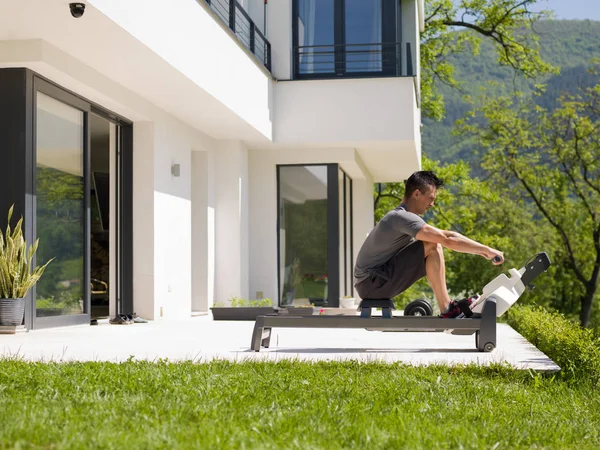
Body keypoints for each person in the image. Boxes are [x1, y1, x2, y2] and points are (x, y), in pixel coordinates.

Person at [354, 171, 504, 318]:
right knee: (433, 244)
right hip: (371, 284)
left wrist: (483, 250)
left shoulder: (402, 217)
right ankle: (448, 308)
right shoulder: (402, 217)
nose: (432, 204)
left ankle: (448, 307)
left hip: (373, 282)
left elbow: (445, 236)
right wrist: (486, 250)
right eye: (430, 198)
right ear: (417, 194)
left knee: (431, 243)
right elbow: (447, 238)